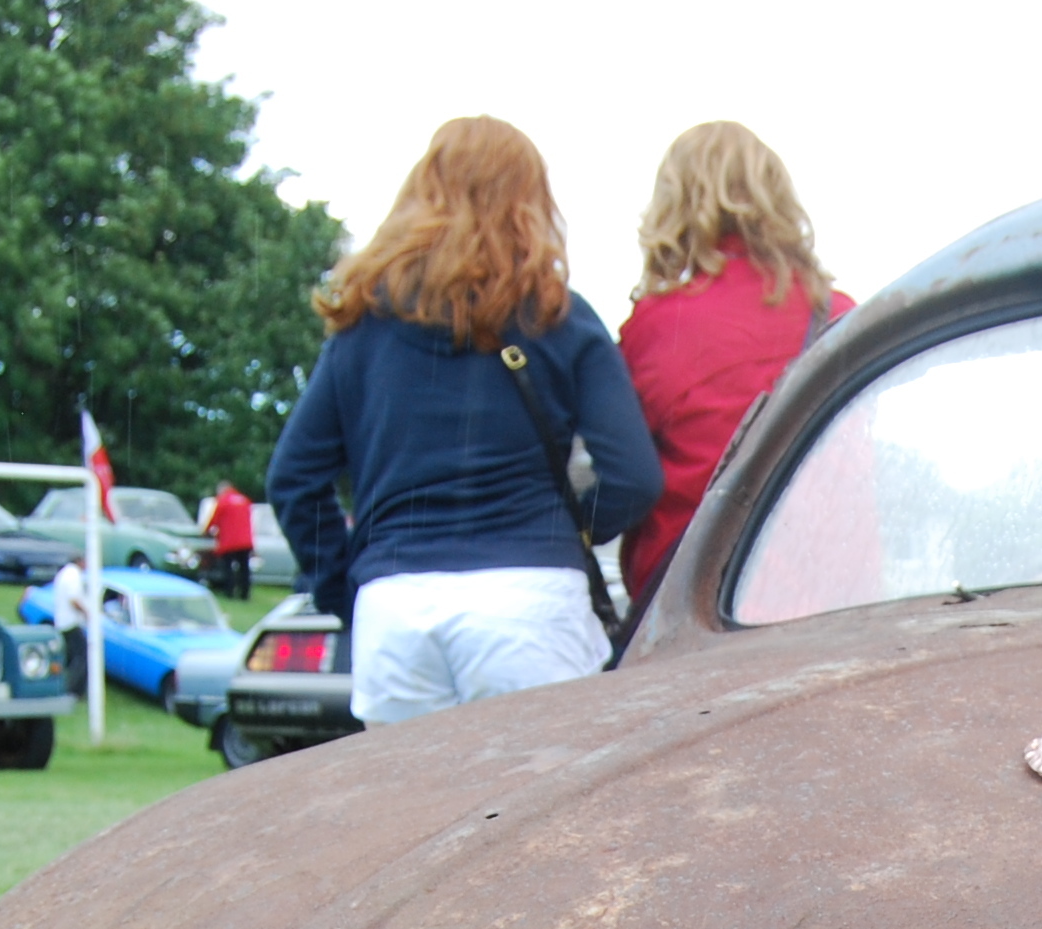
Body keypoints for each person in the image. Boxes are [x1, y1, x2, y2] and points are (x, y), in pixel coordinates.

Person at [265, 117, 659, 722]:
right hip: (529, 604)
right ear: (531, 203)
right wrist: (565, 528)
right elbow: (633, 474)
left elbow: (294, 477)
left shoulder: (362, 327)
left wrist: (347, 585)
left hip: (396, 608)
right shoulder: (560, 317)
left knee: (410, 787)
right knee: (548, 783)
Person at [616, 122, 852, 611]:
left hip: (699, 600)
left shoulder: (656, 327)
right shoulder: (839, 315)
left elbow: (628, 469)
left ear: (673, 205)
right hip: (827, 589)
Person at [204, 480, 254, 598]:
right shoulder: (244, 500)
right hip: (245, 541)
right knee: (244, 568)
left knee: (228, 568)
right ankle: (245, 594)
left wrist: (206, 531)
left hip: (229, 541)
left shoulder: (223, 501)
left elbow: (214, 520)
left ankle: (229, 592)